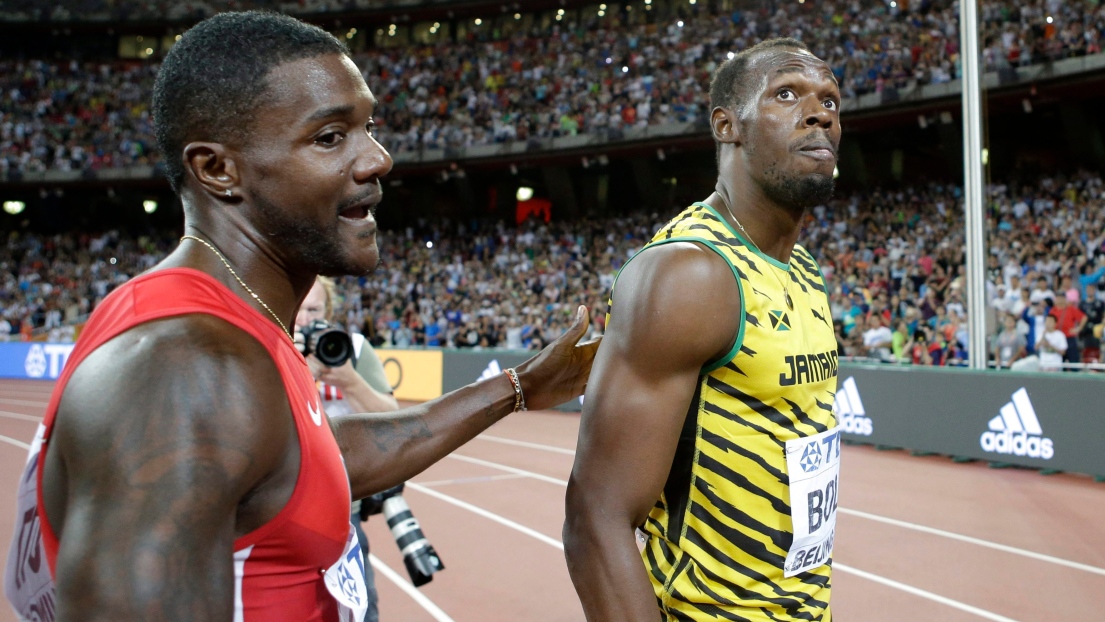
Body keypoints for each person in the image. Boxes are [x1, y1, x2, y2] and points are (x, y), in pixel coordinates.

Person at [4, 12, 598, 622]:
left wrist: (516, 388)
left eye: (368, 126)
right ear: (217, 169)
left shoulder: (226, 323)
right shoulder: (187, 366)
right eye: (329, 137)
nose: (378, 159)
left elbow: (303, 462)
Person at [565, 38, 840, 621]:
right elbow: (597, 516)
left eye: (830, 101)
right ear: (726, 125)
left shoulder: (804, 268)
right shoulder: (689, 274)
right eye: (787, 94)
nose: (820, 112)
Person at [296, 276, 398, 622]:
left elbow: (393, 421)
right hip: (287, 508)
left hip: (344, 508)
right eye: (300, 308)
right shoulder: (273, 345)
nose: (306, 319)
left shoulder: (351, 348)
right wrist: (302, 374)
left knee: (360, 609)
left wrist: (351, 382)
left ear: (329, 311)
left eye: (315, 309)